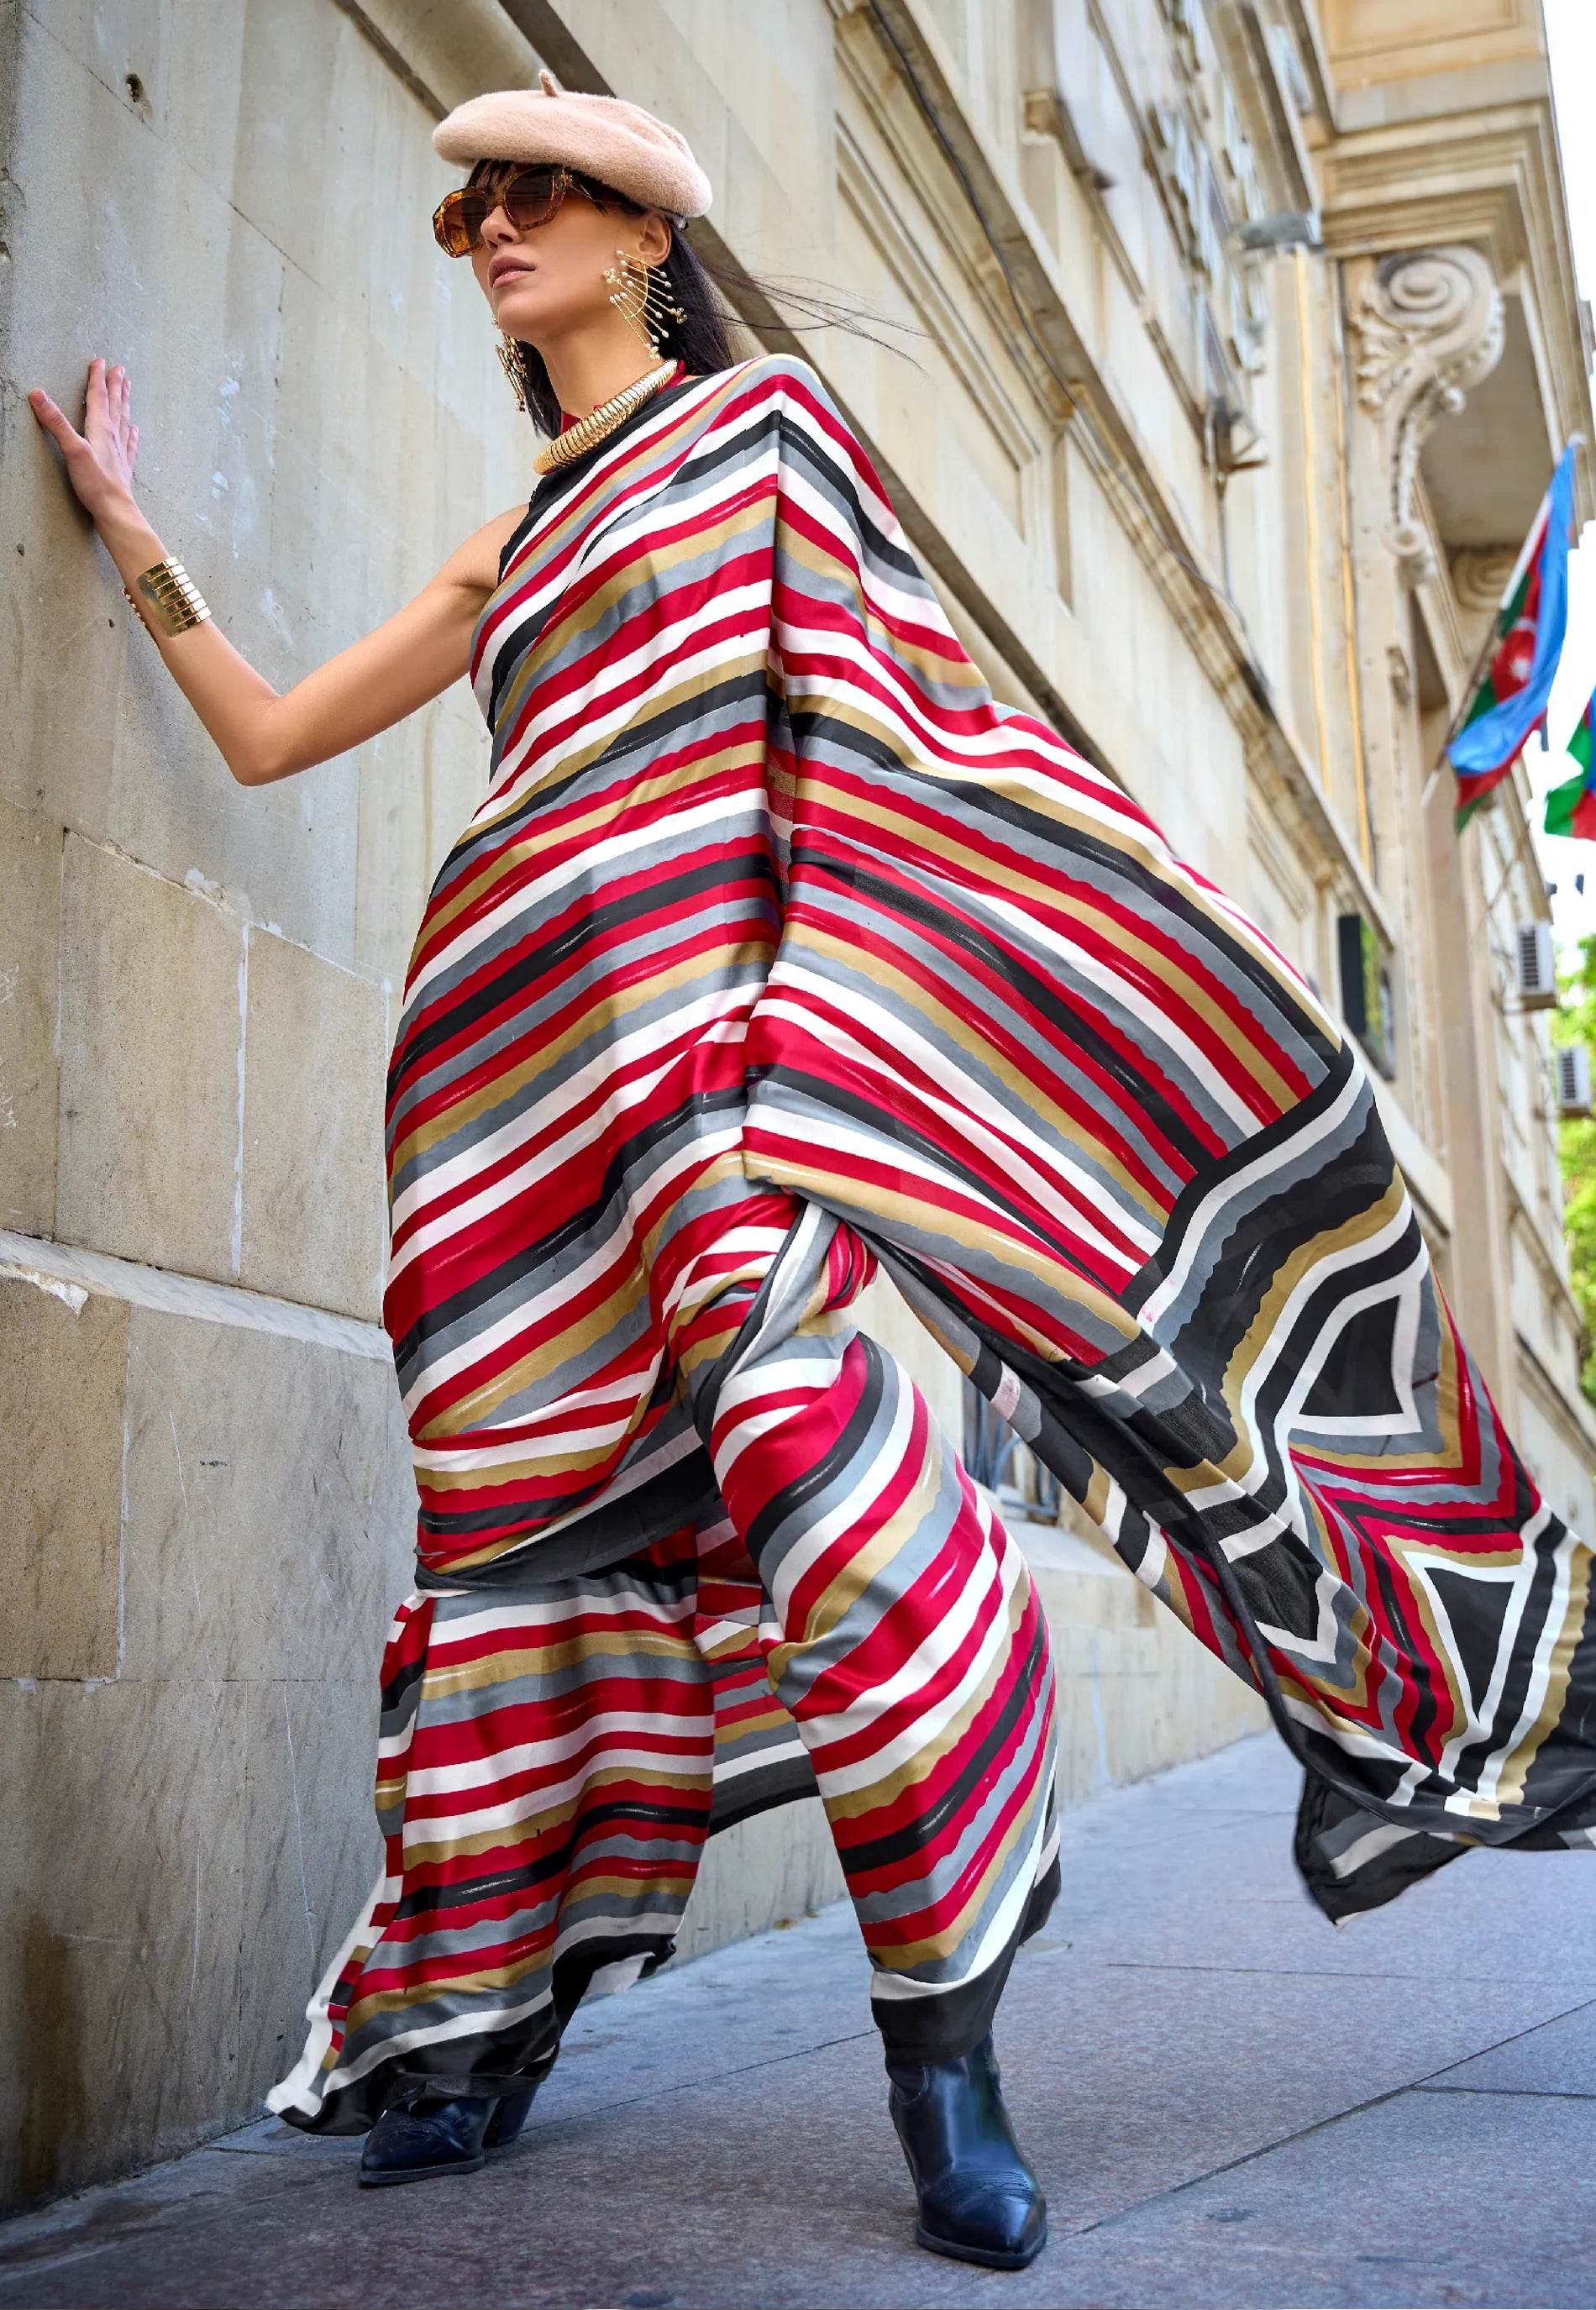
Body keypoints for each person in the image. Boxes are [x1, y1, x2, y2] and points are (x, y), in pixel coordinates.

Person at [28, 67, 1596, 2276]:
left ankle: (938, 2065)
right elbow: (278, 729)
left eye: (541, 201)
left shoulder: (766, 444)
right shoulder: (506, 537)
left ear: (639, 239)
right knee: (526, 1567)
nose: (494, 234)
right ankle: (490, 2027)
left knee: (845, 1543)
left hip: (717, 1098)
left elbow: (926, 742)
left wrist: (1119, 928)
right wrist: (131, 525)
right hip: (495, 1103)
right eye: (477, 208)